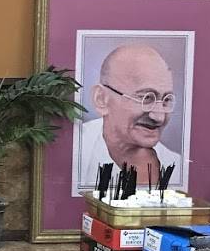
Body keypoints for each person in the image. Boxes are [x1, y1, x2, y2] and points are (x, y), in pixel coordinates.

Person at [78, 42, 185, 189]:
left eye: (166, 100)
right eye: (146, 98)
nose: (159, 117)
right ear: (101, 99)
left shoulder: (177, 169)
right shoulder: (73, 148)